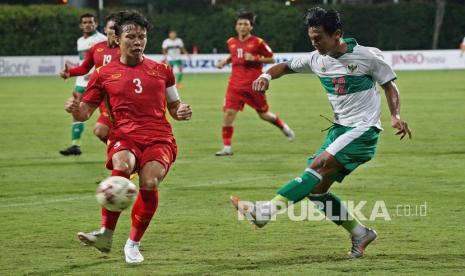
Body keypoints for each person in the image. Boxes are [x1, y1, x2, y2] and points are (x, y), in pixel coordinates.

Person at [230, 7, 412, 258]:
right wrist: (265, 77)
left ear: (336, 34)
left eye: (319, 38)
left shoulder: (366, 57)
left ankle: (266, 211)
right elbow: (283, 66)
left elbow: (390, 86)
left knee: (316, 168)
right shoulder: (317, 58)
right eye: (311, 38)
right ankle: (360, 233)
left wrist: (395, 116)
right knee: (316, 191)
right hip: (339, 130)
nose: (314, 43)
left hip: (363, 130)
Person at [65, 10, 192, 263]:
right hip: (124, 134)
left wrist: (181, 111)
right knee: (122, 166)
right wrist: (75, 108)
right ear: (116, 38)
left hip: (159, 136)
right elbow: (84, 114)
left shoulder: (162, 70)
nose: (137, 42)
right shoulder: (102, 74)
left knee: (150, 182)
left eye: (142, 37)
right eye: (131, 36)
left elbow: (174, 107)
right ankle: (105, 233)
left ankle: (133, 243)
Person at [215, 11, 294, 156]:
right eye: (239, 24)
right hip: (234, 85)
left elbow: (271, 59)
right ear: (236, 26)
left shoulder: (258, 42)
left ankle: (283, 127)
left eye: (245, 24)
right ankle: (227, 148)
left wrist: (255, 58)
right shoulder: (231, 42)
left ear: (251, 27)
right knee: (228, 114)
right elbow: (234, 55)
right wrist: (224, 62)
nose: (242, 27)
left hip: (254, 86)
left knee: (264, 115)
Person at [60, 13, 120, 143]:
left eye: (117, 28)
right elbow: (84, 68)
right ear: (105, 29)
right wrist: (69, 73)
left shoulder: (126, 50)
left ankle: (124, 151)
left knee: (103, 130)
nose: (114, 31)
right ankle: (122, 151)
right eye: (111, 28)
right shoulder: (96, 48)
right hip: (102, 97)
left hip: (119, 99)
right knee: (101, 131)